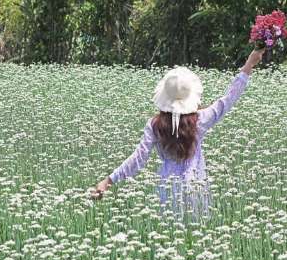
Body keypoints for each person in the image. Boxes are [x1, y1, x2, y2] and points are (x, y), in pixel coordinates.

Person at [90, 48, 265, 221]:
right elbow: (228, 99)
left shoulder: (155, 125)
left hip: (168, 192)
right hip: (196, 188)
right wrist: (249, 64)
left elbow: (138, 158)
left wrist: (108, 181)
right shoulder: (200, 120)